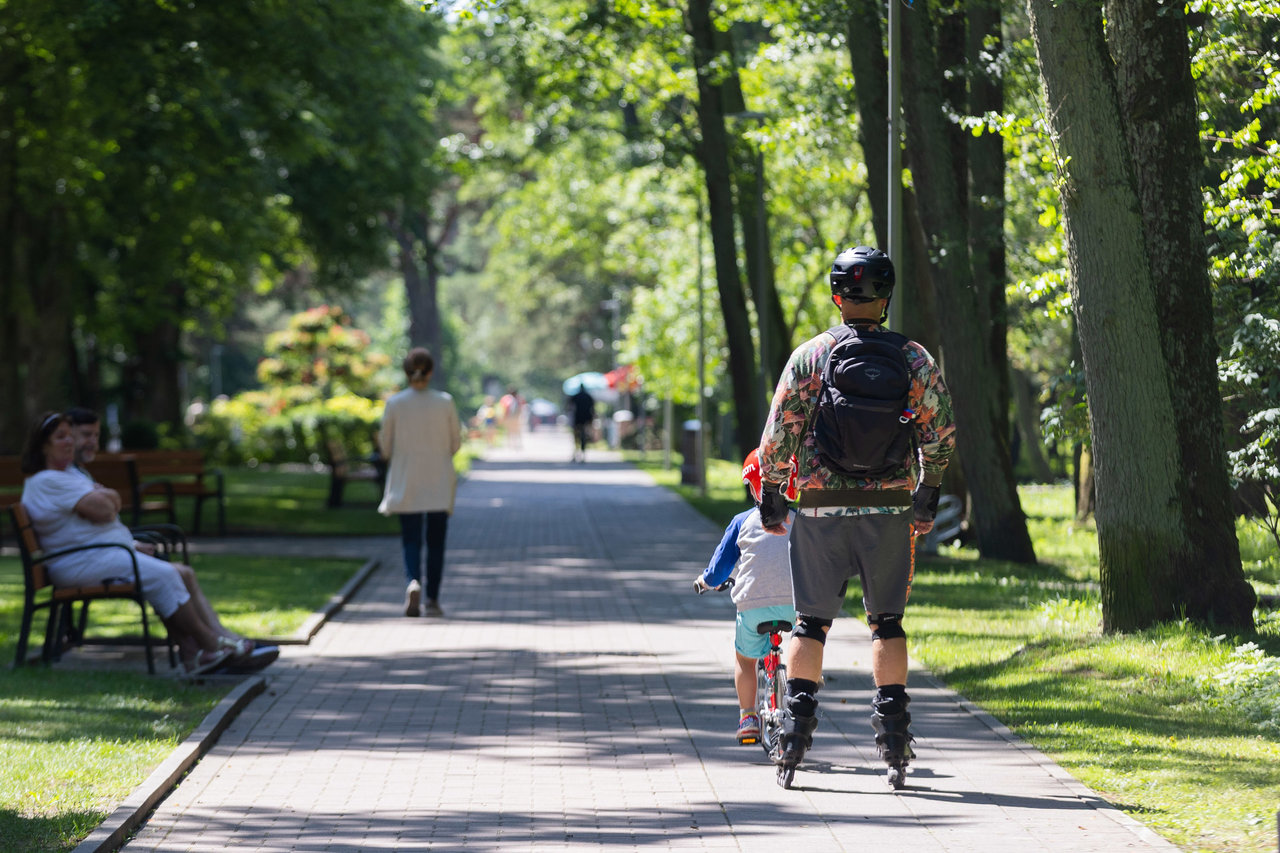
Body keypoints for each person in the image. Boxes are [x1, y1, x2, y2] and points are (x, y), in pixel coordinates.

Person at [756, 246, 956, 780]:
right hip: (889, 507)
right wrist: (927, 489)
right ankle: (893, 740)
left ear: (836, 295)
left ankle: (795, 737)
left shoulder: (812, 356)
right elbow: (939, 433)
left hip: (820, 508)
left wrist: (773, 490)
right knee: (886, 622)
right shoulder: (914, 359)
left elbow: (780, 432)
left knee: (810, 623)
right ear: (886, 298)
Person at [19, 412, 273, 675]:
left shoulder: (67, 476)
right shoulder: (48, 480)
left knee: (174, 573)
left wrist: (109, 504)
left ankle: (197, 651)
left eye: (70, 435)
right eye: (60, 437)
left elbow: (106, 506)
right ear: (42, 445)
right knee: (163, 575)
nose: (69, 441)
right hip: (81, 562)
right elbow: (104, 511)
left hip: (96, 557)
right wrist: (103, 497)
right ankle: (212, 645)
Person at [693, 450, 798, 744]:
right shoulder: (802, 520)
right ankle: (805, 676)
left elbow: (718, 569)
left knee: (745, 659)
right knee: (805, 639)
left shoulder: (742, 521)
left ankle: (748, 716)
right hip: (795, 605)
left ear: (753, 486)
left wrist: (706, 581)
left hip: (753, 607)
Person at [379, 347, 462, 618]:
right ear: (431, 371)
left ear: (406, 372)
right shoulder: (445, 402)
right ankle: (433, 600)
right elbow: (455, 444)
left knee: (411, 539)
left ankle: (413, 580)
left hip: (407, 480)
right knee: (436, 542)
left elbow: (385, 448)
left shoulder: (395, 404)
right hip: (438, 480)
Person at [568, 384, 595, 463]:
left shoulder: (575, 396)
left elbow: (569, 406)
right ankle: (582, 453)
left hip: (578, 418)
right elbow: (592, 408)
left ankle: (576, 453)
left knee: (576, 436)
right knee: (584, 436)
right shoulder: (588, 396)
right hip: (586, 418)